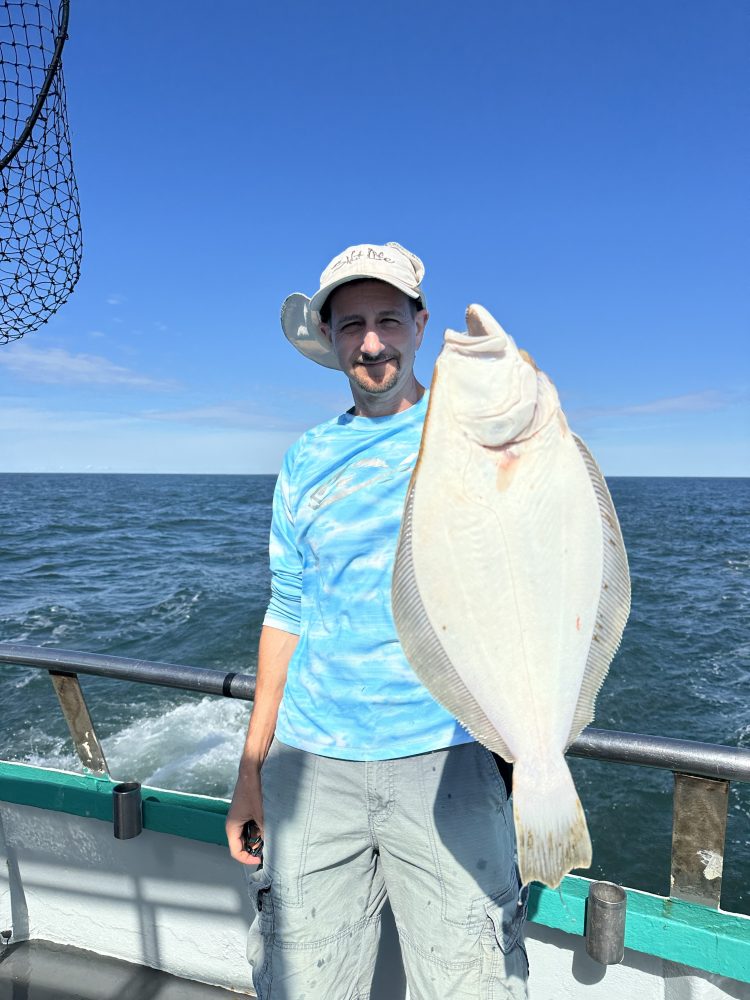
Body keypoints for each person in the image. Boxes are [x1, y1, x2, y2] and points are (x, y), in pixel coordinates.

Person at [226, 242, 528, 1000]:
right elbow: (286, 611)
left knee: (474, 985)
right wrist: (251, 770)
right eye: (352, 324)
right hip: (309, 764)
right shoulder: (303, 460)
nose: (371, 342)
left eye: (388, 320)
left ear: (420, 326)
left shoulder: (476, 438)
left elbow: (525, 587)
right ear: (329, 337)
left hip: (448, 752)